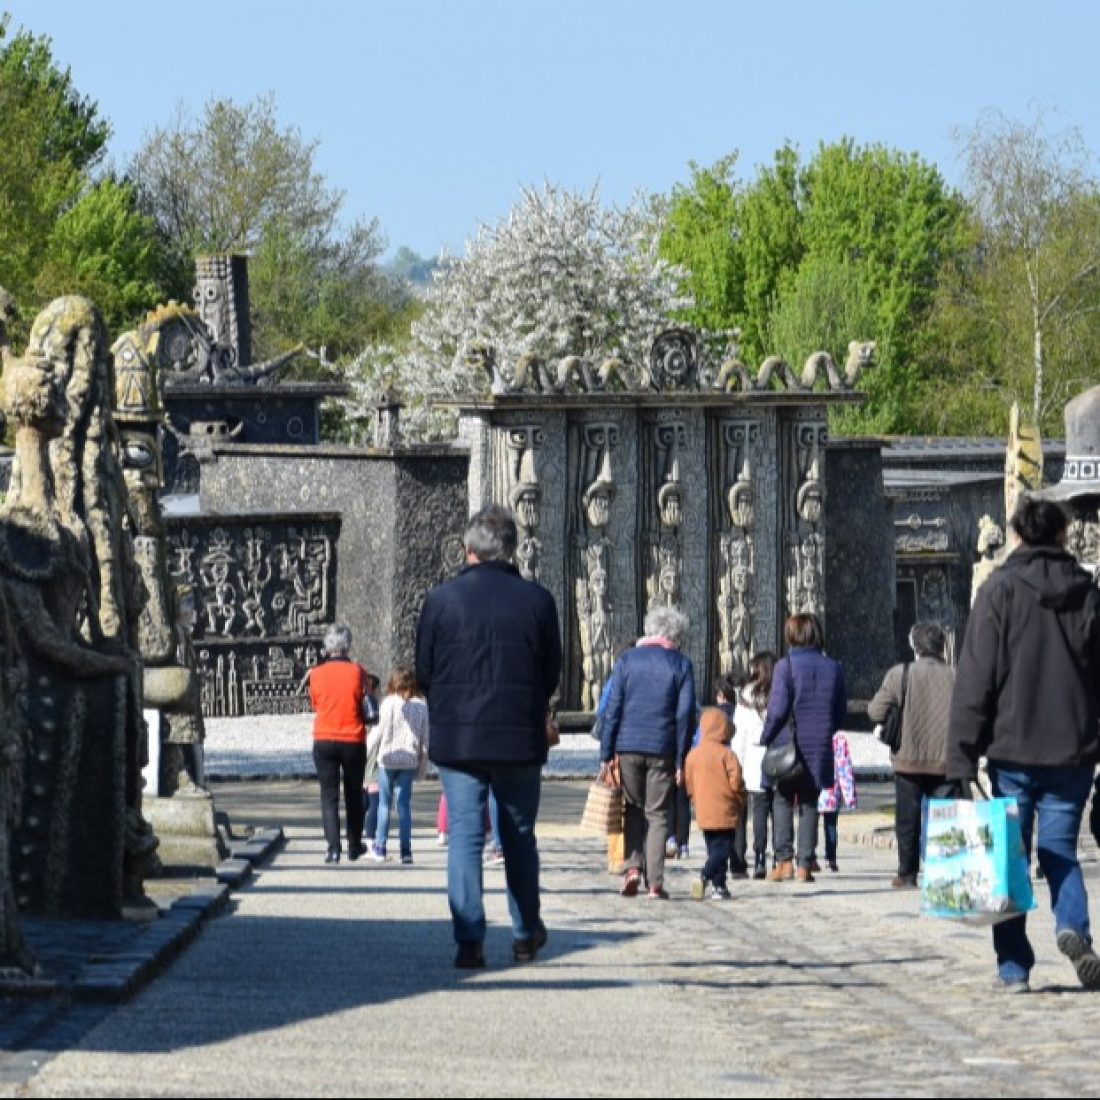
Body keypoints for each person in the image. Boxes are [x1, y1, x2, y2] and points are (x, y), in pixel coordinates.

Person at [948, 498, 1100, 993]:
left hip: (1012, 750)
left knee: (1008, 861)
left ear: (1016, 537)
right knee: (1059, 849)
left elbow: (976, 679)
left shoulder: (999, 590)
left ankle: (1014, 969)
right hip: (1073, 750)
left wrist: (962, 757)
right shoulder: (1087, 593)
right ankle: (1072, 926)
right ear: (1062, 538)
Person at [416, 504, 562, 969]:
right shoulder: (537, 601)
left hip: (459, 738)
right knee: (519, 834)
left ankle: (469, 937)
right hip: (518, 735)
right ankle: (523, 933)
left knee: (463, 834)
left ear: (468, 550)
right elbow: (551, 672)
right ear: (512, 550)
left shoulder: (440, 600)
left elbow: (425, 670)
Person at [599, 605, 696, 900]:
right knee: (657, 814)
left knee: (632, 808)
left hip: (628, 746)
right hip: (663, 747)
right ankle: (655, 882)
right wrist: (681, 758)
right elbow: (684, 716)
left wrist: (606, 752)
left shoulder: (627, 660)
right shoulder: (681, 664)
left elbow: (612, 709)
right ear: (676, 634)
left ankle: (632, 868)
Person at [868, 622, 957, 889]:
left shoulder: (900, 674)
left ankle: (907, 873)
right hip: (945, 760)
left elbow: (875, 712)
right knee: (946, 816)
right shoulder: (956, 675)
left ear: (914, 646)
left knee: (908, 818)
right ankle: (945, 873)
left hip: (908, 758)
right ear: (942, 646)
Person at [759, 614, 847, 884]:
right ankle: (804, 865)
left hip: (789, 743)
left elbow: (778, 709)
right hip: (818, 744)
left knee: (783, 798)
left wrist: (766, 736)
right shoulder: (833, 667)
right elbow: (840, 711)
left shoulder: (786, 666)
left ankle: (784, 860)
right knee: (810, 802)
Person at [308, 623, 371, 864]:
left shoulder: (316, 673)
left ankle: (333, 848)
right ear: (347, 646)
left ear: (327, 647)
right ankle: (354, 845)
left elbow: (315, 702)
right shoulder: (358, 671)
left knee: (328, 795)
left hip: (324, 737)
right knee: (354, 794)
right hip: (352, 737)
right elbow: (365, 700)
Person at [367, 665, 430, 864]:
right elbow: (425, 740)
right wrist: (423, 767)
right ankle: (406, 850)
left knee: (384, 805)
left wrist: (364, 755)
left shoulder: (387, 704)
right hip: (409, 760)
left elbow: (376, 733)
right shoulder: (421, 705)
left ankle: (380, 846)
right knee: (403, 805)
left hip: (388, 759)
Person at [684, 707, 746, 900]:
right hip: (725, 808)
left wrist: (695, 799)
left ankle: (719, 885)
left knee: (712, 847)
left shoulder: (693, 755)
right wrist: (740, 799)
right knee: (724, 848)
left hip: (704, 809)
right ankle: (705, 875)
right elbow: (736, 782)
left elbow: (689, 783)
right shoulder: (727, 754)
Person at [732, 652, 777, 879]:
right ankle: (770, 855)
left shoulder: (746, 696)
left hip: (751, 757)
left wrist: (736, 762)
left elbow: (740, 735)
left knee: (748, 810)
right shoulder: (779, 692)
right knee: (772, 809)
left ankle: (748, 858)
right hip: (776, 756)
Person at [816, 732, 857, 872]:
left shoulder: (812, 734)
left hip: (813, 788)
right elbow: (845, 768)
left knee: (810, 825)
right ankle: (830, 859)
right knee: (831, 826)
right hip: (831, 791)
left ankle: (809, 856)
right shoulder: (838, 741)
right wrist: (849, 795)